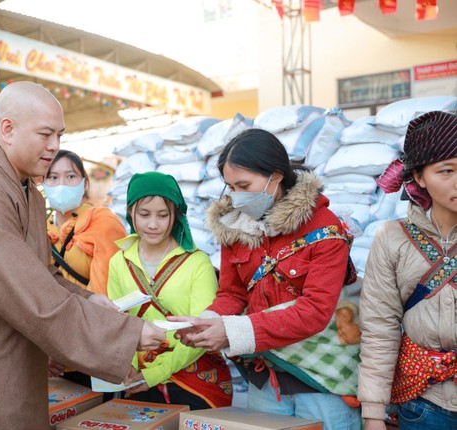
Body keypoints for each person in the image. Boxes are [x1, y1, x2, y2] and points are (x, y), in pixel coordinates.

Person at [0, 81, 166, 429]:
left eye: (59, 135)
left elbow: (40, 272)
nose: (55, 146)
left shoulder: (28, 192)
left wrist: (89, 299)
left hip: (5, 366)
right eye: (45, 134)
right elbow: (29, 294)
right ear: (7, 129)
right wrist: (124, 334)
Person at [171, 128, 361, 429]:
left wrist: (232, 332)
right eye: (230, 187)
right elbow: (233, 293)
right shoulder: (235, 227)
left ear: (276, 177)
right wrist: (206, 322)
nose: (236, 197)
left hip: (319, 377)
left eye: (244, 185)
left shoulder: (324, 229)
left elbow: (315, 310)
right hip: (266, 372)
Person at [358, 111, 457, 430]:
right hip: (425, 406)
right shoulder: (393, 238)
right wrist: (374, 413)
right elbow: (380, 328)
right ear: (419, 177)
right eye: (447, 171)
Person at [109, 171, 232, 410]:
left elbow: (200, 329)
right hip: (136, 374)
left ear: (175, 214)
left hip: (192, 375)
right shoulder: (118, 262)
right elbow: (118, 321)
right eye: (144, 214)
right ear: (130, 212)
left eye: (163, 215)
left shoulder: (197, 263)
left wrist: (155, 374)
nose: (153, 224)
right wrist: (129, 367)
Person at [44, 149, 126, 294]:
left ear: (85, 184)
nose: (61, 185)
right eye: (53, 177)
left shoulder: (104, 222)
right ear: (44, 183)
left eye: (70, 176)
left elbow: (105, 289)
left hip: (90, 307)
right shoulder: (41, 228)